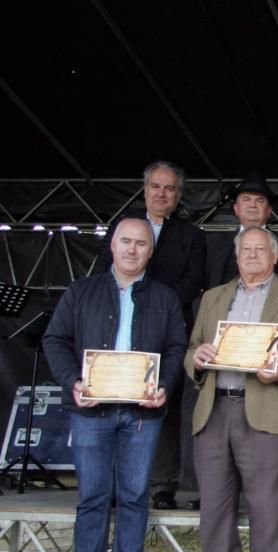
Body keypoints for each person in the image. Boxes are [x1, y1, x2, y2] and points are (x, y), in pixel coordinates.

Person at [42, 217, 187, 552]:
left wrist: (165, 385)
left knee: (135, 497)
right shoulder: (81, 291)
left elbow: (177, 348)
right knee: (92, 497)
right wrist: (73, 382)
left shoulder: (165, 297)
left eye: (140, 244)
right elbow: (54, 339)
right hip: (92, 411)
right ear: (112, 245)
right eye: (125, 241)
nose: (132, 250)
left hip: (142, 414)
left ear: (150, 251)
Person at [175, 227, 278, 552]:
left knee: (266, 505)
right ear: (236, 257)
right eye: (246, 250)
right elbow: (190, 351)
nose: (252, 255)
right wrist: (197, 359)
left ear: (275, 256)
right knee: (214, 506)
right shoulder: (213, 297)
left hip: (266, 409)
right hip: (214, 409)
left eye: (260, 250)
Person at [97, 161, 207, 512]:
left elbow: (194, 280)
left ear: (178, 195)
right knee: (114, 403)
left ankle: (162, 485)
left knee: (165, 405)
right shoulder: (123, 227)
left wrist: (159, 305)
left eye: (170, 188)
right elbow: (107, 271)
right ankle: (114, 482)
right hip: (122, 328)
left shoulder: (192, 235)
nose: (162, 194)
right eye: (156, 187)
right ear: (145, 191)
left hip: (168, 327)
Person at [204, 173, 278, 289]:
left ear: (269, 211)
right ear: (236, 209)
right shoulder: (214, 243)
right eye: (246, 199)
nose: (252, 205)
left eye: (260, 200)